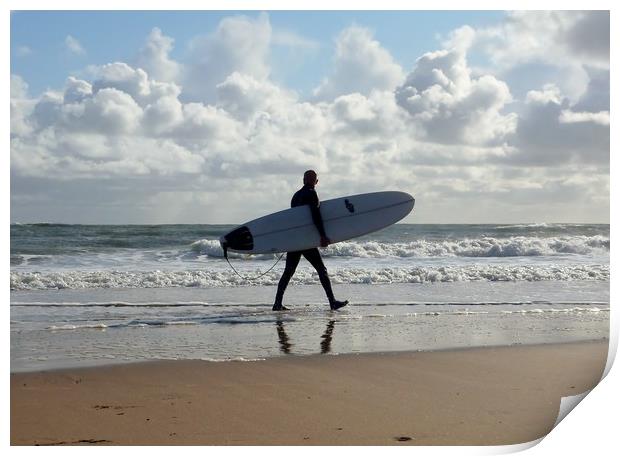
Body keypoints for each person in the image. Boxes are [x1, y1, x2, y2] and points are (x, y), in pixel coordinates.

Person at [273, 170, 348, 311]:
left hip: (295, 240)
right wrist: (322, 235)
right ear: (316, 181)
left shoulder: (295, 196)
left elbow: (296, 219)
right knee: (321, 269)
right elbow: (315, 216)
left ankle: (277, 303)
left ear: (303, 180)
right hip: (305, 240)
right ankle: (332, 302)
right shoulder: (312, 193)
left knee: (288, 272)